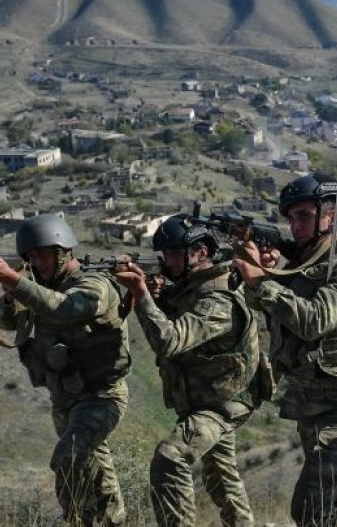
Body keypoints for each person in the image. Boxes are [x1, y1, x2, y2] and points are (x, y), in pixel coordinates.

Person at [232, 172, 337, 527]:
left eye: (304, 216)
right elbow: (272, 308)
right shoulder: (315, 261)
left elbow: (315, 320)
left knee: (310, 506)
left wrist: (260, 281)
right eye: (291, 218)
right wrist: (265, 273)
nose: (295, 226)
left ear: (332, 214)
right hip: (315, 396)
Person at [0, 214, 129, 525]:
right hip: (65, 395)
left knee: (68, 456)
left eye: (44, 255)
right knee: (93, 469)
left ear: (64, 251)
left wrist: (17, 282)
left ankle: (77, 520)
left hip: (101, 396)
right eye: (31, 257)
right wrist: (11, 292)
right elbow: (8, 322)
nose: (38, 263)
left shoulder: (94, 283)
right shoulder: (41, 287)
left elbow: (67, 307)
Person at [114, 214, 258, 526]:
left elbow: (170, 341)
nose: (167, 262)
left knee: (171, 457)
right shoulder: (192, 288)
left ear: (201, 252)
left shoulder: (217, 297)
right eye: (165, 255)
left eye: (174, 254)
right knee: (221, 478)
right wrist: (157, 298)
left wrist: (141, 294)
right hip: (206, 400)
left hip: (223, 405)